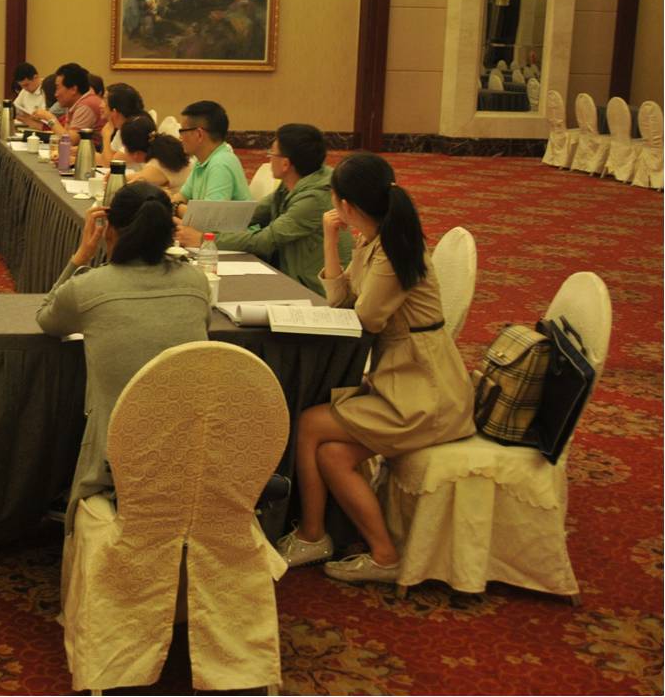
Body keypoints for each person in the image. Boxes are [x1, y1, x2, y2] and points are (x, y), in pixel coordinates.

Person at [276, 153, 475, 584]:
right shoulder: (374, 239)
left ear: (346, 204)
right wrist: (331, 239)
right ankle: (383, 555)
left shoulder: (394, 250)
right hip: (401, 381)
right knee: (331, 453)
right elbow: (339, 300)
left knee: (309, 423)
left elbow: (366, 319)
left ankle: (312, 534)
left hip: (425, 393)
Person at [36, 182, 209, 528]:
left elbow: (47, 319)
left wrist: (82, 255)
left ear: (109, 229)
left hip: (116, 462)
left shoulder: (89, 287)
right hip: (192, 452)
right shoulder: (196, 281)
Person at [176, 124, 350, 295]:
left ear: (285, 164)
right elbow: (247, 214)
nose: (269, 159)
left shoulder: (314, 199)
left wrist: (203, 239)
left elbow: (266, 240)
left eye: (272, 154)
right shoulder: (294, 182)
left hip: (314, 289)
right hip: (289, 274)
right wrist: (194, 222)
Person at [175, 99, 250, 203]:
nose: (180, 137)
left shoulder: (220, 164)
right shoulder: (202, 161)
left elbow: (209, 213)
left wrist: (177, 207)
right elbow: (182, 196)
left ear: (199, 135)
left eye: (182, 131)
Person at [118, 115, 191, 197]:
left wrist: (115, 177)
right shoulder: (166, 151)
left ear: (135, 153)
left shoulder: (158, 165)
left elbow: (134, 184)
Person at [34, 63, 104, 139]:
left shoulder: (86, 105)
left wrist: (49, 118)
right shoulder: (74, 103)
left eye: (58, 88)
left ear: (73, 89)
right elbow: (66, 134)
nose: (55, 94)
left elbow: (70, 140)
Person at [100, 82, 145, 156]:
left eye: (104, 101)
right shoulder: (122, 128)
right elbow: (107, 156)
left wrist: (106, 136)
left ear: (114, 111)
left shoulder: (135, 132)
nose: (100, 105)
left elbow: (110, 161)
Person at [11, 62, 48, 129]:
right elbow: (15, 107)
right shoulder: (25, 90)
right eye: (22, 86)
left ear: (36, 77)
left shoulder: (48, 88)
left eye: (26, 85)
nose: (24, 88)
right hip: (27, 126)